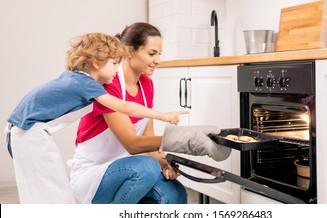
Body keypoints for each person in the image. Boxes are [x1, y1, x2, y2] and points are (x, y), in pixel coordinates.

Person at [5, 32, 187, 204]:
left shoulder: (79, 80)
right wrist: (164, 116)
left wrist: (165, 161)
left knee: (50, 192)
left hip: (24, 131)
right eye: (115, 63)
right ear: (97, 62)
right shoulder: (87, 84)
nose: (117, 69)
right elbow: (125, 107)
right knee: (52, 194)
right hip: (28, 133)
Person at [69, 23, 231, 204]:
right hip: (94, 174)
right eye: (152, 54)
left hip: (130, 168)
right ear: (129, 51)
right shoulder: (110, 85)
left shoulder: (146, 85)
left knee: (174, 194)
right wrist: (184, 139)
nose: (158, 61)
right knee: (146, 168)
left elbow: (147, 139)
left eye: (159, 54)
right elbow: (132, 144)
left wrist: (165, 161)